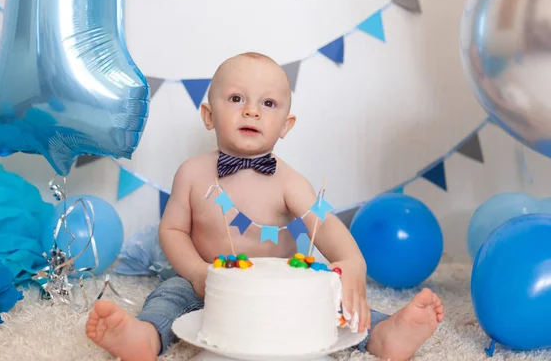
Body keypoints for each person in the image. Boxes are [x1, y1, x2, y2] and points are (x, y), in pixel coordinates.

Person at [86, 52, 444, 361]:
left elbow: (326, 224)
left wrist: (352, 262)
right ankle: (146, 337)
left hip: (282, 289)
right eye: (237, 98)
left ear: (285, 126)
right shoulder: (193, 174)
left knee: (328, 300)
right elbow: (173, 230)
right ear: (209, 115)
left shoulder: (289, 181)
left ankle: (383, 334)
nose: (252, 111)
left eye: (268, 103)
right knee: (167, 297)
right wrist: (196, 273)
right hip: (208, 283)